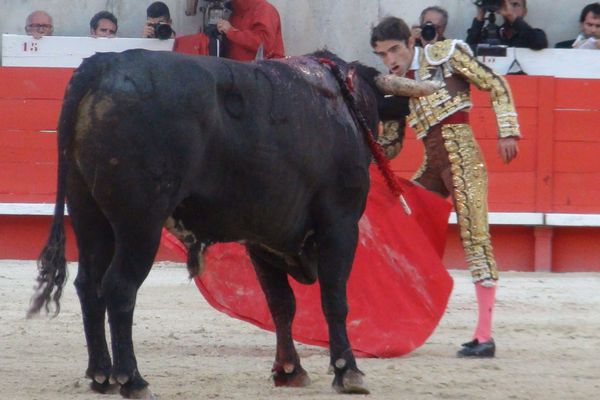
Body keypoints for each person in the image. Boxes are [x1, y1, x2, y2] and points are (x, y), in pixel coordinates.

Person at [371, 16, 522, 358]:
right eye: (382, 55)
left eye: (394, 49)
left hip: (464, 156)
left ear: (411, 43)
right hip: (432, 165)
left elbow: (495, 83)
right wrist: (364, 152)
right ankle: (398, 321)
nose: (390, 59)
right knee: (404, 235)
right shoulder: (393, 84)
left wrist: (508, 130)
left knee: (476, 237)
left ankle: (484, 336)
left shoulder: (444, 54)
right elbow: (392, 144)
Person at [215, 0, 284, 61]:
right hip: (237, 69)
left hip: (261, 71)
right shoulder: (235, 11)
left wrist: (231, 32)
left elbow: (263, 44)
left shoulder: (264, 9)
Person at [466, 0, 548, 51]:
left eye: (515, 5)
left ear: (524, 11)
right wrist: (480, 17)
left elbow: (539, 43)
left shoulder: (533, 35)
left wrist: (512, 16)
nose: (510, 8)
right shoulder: (489, 34)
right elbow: (467, 52)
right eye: (506, 5)